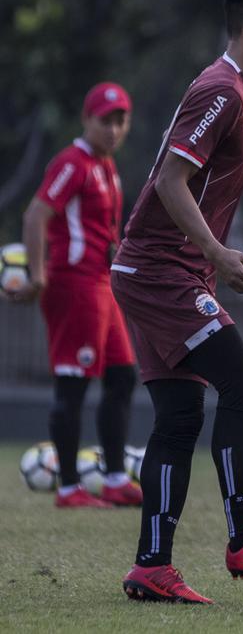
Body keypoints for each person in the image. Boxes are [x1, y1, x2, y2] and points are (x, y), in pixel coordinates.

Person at [110, 0, 243, 604]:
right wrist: (217, 254)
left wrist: (210, 261)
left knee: (179, 416)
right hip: (158, 271)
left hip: (167, 271)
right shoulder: (221, 91)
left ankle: (152, 566)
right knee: (242, 380)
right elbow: (170, 181)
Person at [11, 82, 142, 509]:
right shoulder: (74, 162)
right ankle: (69, 488)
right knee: (74, 384)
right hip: (74, 286)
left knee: (122, 376)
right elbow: (35, 215)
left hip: (102, 285)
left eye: (121, 120)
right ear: (87, 119)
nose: (113, 129)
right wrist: (37, 276)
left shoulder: (107, 166)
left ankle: (115, 478)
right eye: (105, 120)